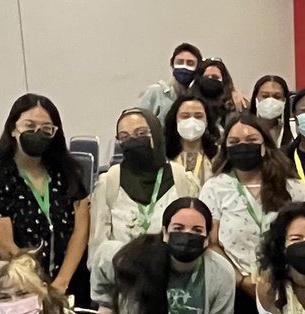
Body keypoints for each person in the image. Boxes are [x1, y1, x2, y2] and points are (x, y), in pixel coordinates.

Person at [201, 114, 305, 314]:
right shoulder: (215, 188)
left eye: (250, 140)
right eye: (235, 141)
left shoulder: (291, 187)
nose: (242, 146)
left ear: (264, 145)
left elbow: (303, 233)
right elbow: (212, 243)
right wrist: (244, 281)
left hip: (287, 288)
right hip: (240, 293)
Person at [91, 198, 234, 314]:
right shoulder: (138, 256)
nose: (187, 235)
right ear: (165, 233)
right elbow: (102, 256)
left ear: (207, 238)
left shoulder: (221, 272)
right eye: (178, 228)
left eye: (197, 230)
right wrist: (105, 306)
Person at [0, 94, 91, 302]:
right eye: (29, 126)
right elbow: (5, 245)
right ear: (13, 129)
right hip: (19, 285)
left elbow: (81, 230)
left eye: (46, 129)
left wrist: (61, 283)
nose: (38, 133)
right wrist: (38, 287)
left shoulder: (68, 171)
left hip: (71, 283)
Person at [90, 108, 200, 254]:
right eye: (124, 137)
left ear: (156, 134)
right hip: (121, 267)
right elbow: (97, 250)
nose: (133, 141)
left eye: (141, 133)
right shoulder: (108, 183)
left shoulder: (183, 181)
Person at [137, 42, 203, 120]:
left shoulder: (199, 96)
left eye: (190, 63)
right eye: (180, 62)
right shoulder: (155, 92)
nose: (184, 67)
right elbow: (139, 121)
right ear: (172, 64)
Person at [164, 95, 218, 187]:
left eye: (198, 116)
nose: (192, 121)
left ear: (207, 122)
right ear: (175, 121)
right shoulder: (164, 156)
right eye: (185, 116)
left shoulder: (218, 157)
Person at [189, 58, 243, 133]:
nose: (210, 80)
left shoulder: (235, 105)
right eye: (206, 77)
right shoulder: (190, 103)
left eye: (215, 77)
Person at [249, 75, 295, 147]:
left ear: (284, 100)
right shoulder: (243, 128)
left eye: (277, 97)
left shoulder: (294, 131)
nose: (270, 101)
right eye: (265, 96)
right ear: (256, 98)